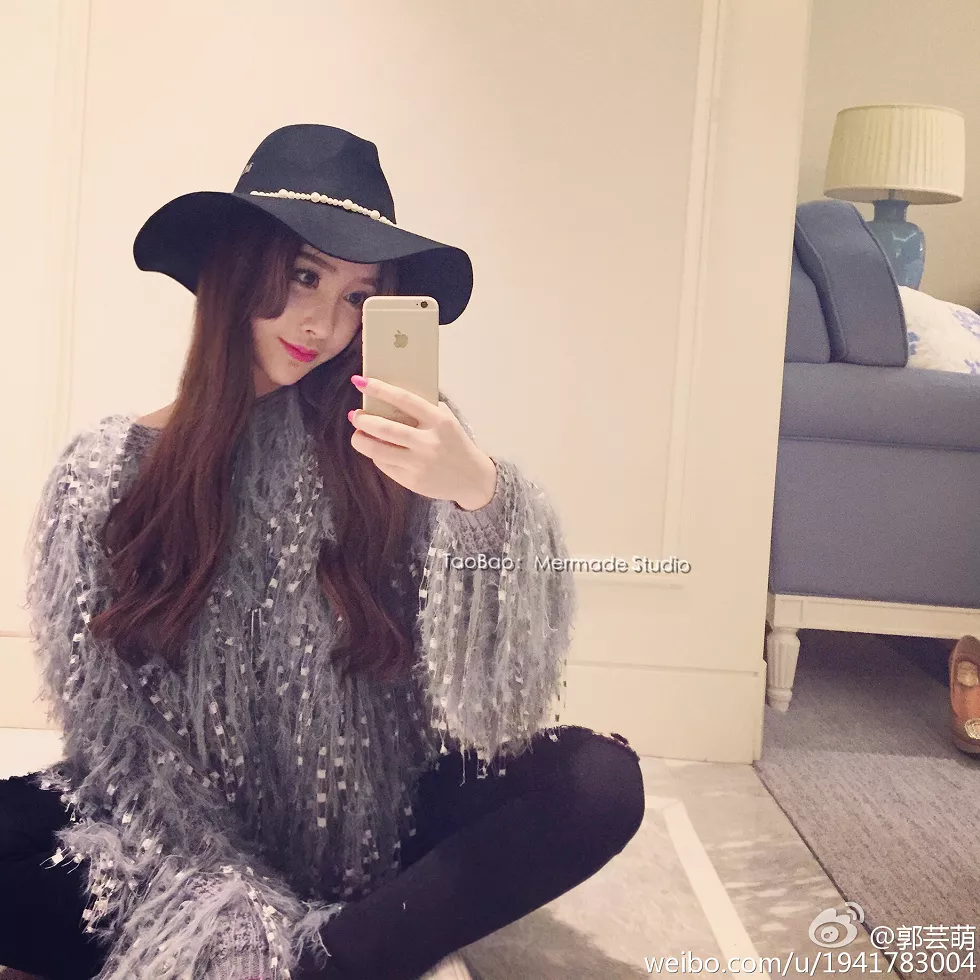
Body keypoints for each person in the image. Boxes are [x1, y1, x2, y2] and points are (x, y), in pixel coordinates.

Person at [0, 124, 646, 980]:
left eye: (357, 296)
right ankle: (331, 953)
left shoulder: (392, 444)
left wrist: (480, 494)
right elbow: (114, 734)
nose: (324, 323)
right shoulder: (105, 470)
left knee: (596, 782)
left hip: (376, 813)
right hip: (178, 841)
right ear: (236, 270)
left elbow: (495, 687)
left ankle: (315, 962)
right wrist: (221, 896)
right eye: (305, 276)